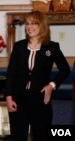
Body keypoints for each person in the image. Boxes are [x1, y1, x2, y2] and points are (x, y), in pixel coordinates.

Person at [5, 10, 71, 141]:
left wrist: (51, 86)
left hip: (40, 99)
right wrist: (8, 97)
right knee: (17, 137)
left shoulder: (52, 47)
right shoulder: (18, 47)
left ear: (43, 26)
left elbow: (65, 69)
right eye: (27, 23)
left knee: (42, 136)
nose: (29, 27)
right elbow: (11, 73)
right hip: (18, 100)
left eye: (34, 23)